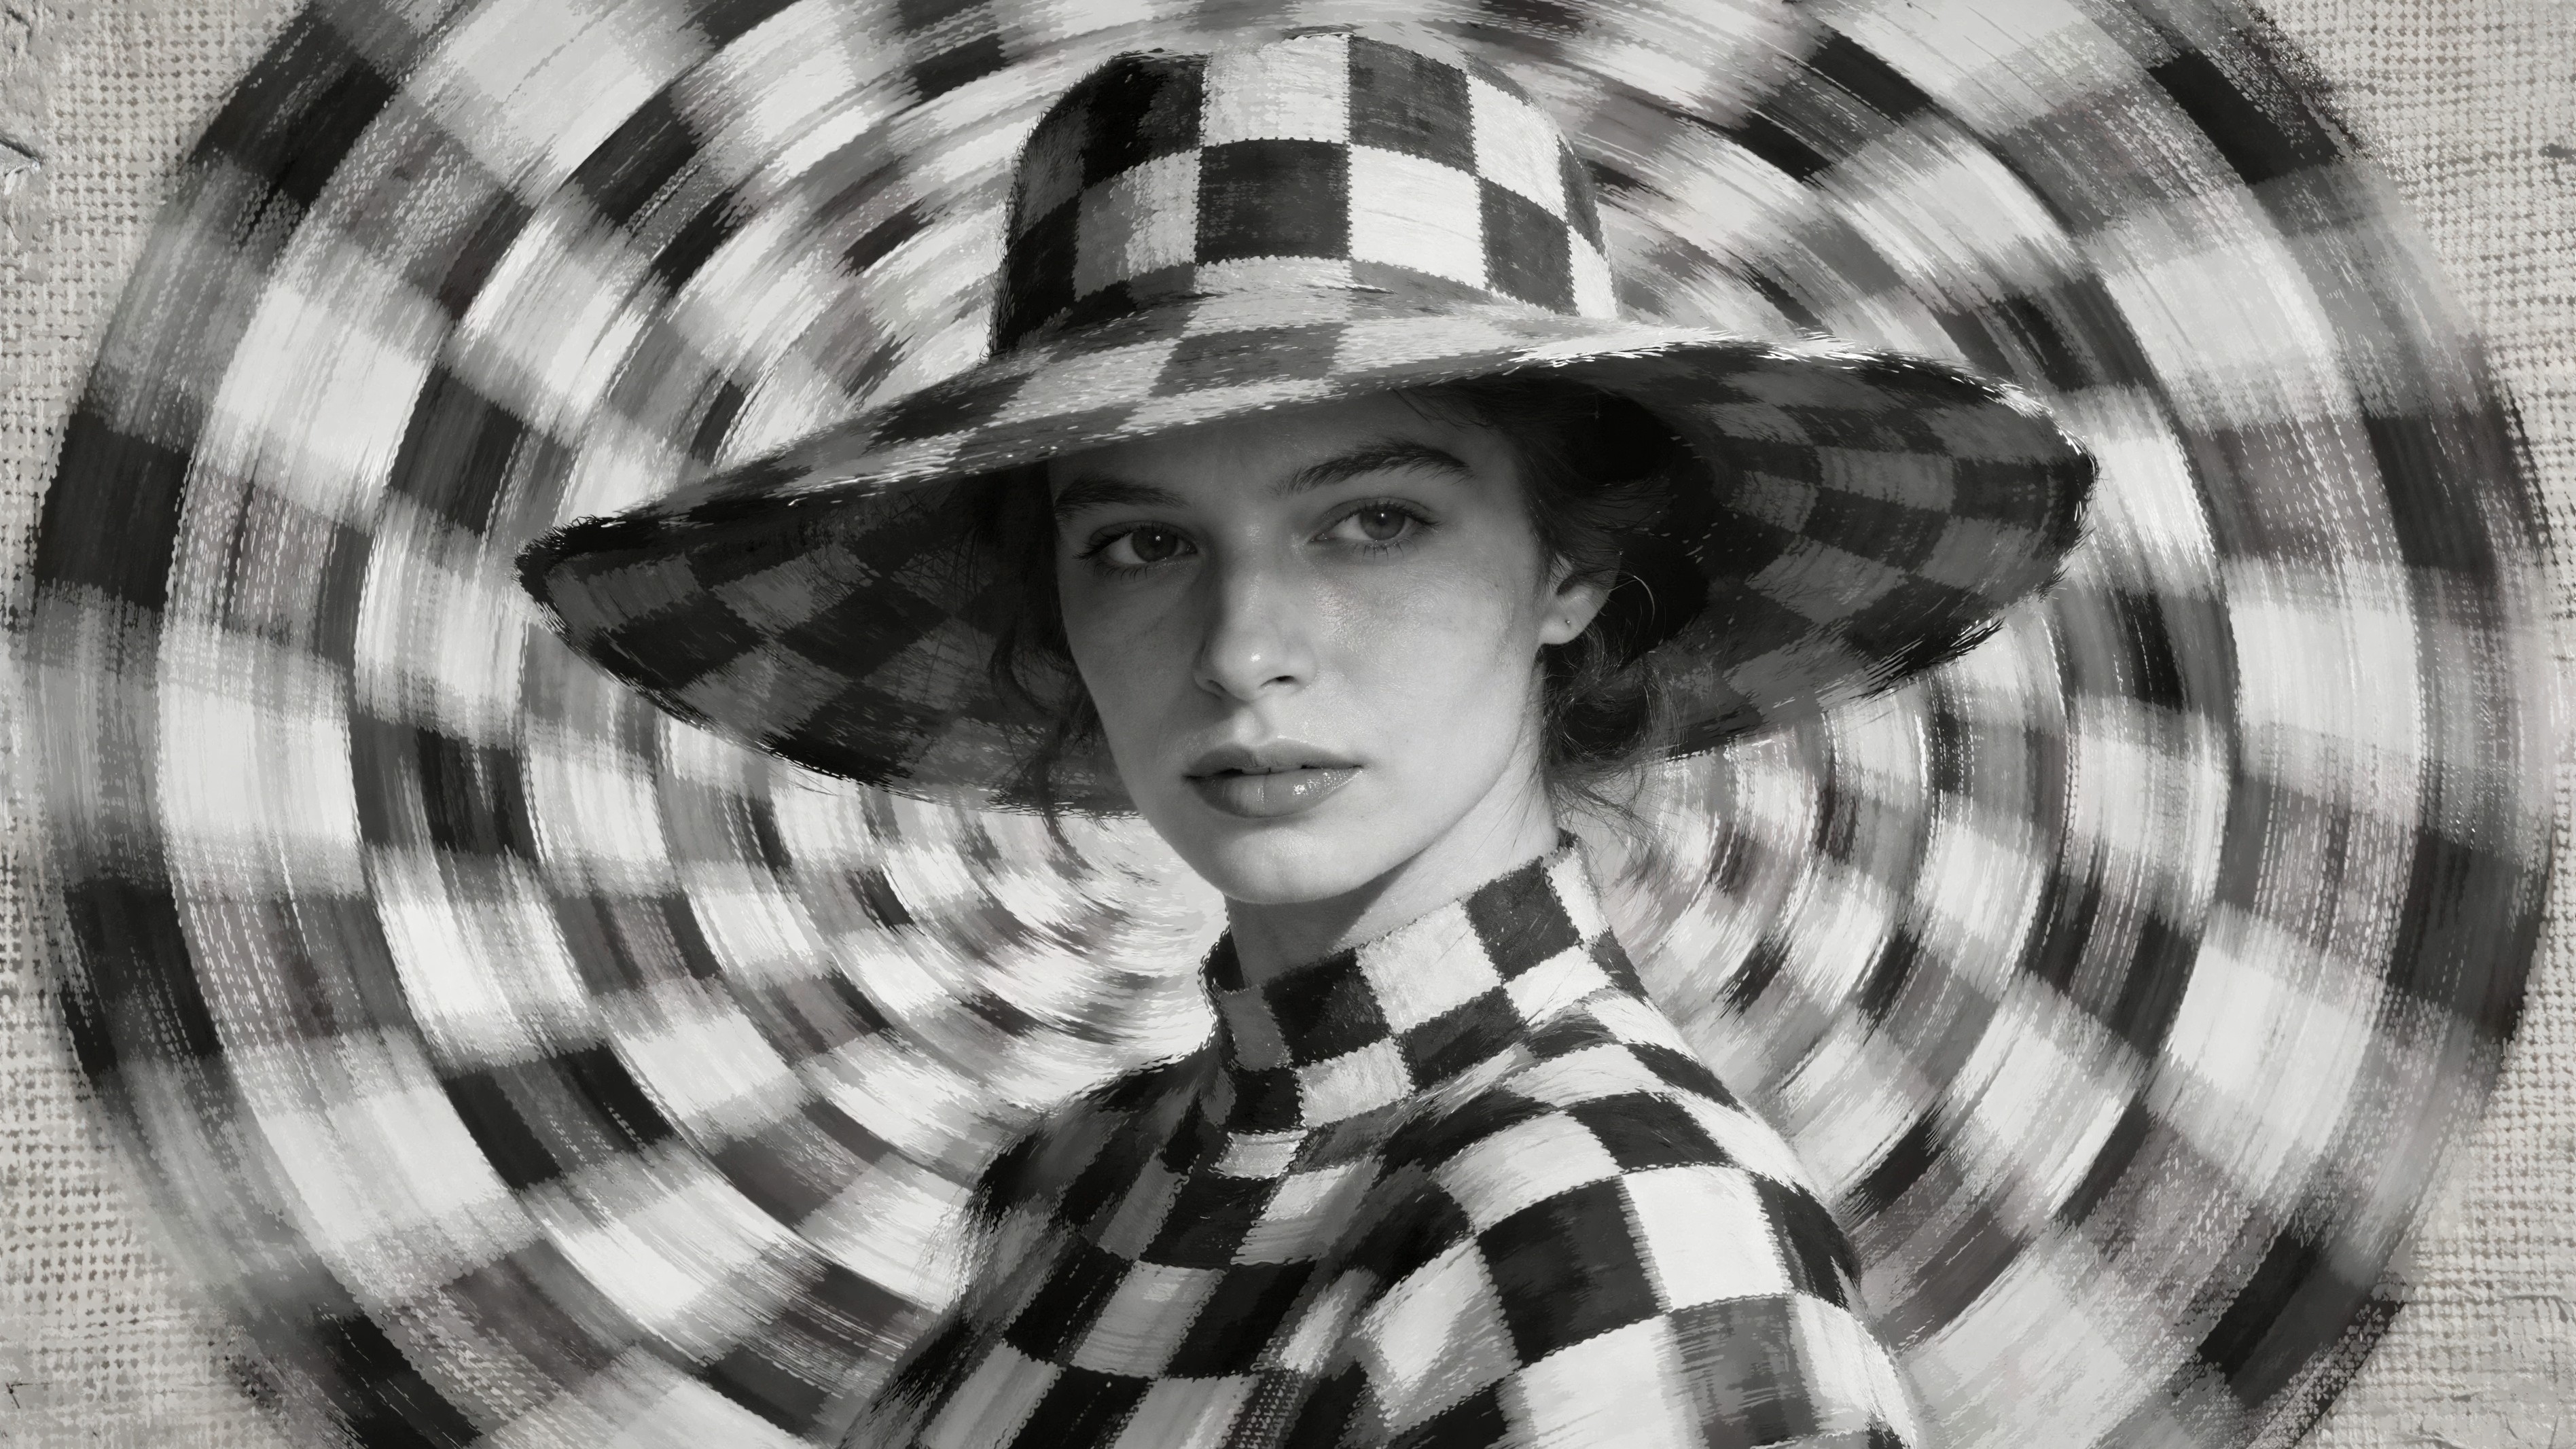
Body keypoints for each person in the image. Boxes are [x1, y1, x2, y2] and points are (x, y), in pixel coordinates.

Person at [518, 26, 2091, 1448]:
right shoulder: (1079, 1173)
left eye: (1373, 519)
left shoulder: (1624, 1238)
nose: (1242, 650)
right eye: (1139, 542)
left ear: (1573, 567)